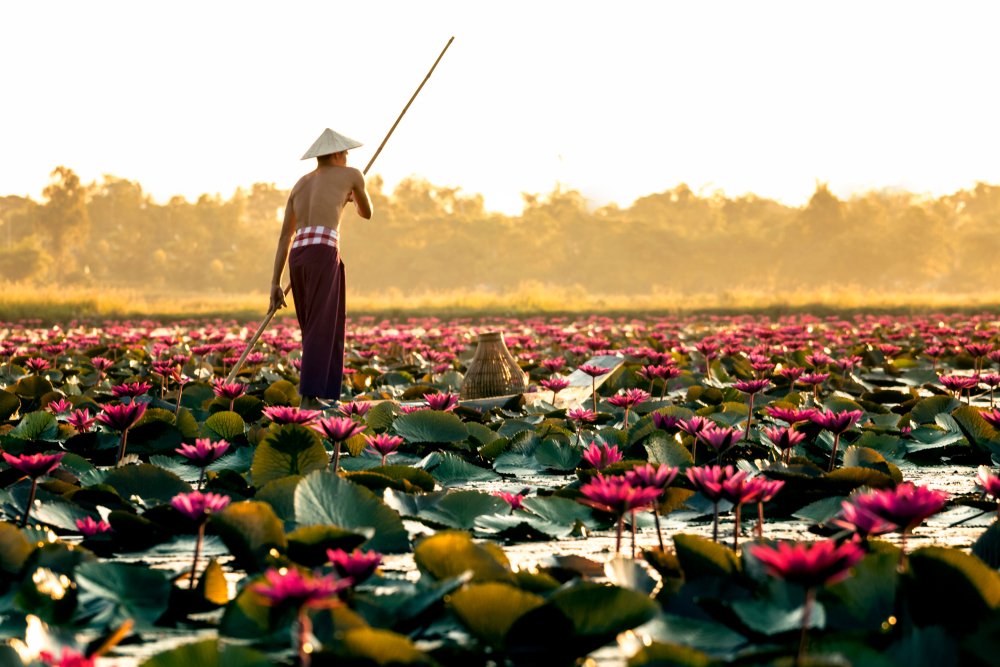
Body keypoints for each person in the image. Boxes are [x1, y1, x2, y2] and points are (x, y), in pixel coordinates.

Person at [269, 128, 372, 410]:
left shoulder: (300, 184)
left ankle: (323, 394)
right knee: (322, 326)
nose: (348, 157)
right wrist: (353, 195)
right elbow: (367, 213)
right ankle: (310, 398)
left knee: (316, 326)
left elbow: (284, 238)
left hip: (298, 256)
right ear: (338, 154)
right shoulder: (352, 174)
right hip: (323, 252)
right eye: (346, 153)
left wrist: (275, 285)